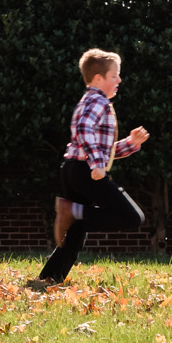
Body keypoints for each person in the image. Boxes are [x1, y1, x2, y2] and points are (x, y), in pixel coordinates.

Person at [27, 49, 150, 291]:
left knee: (76, 230)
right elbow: (85, 130)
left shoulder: (92, 101)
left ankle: (49, 279)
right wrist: (96, 164)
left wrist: (131, 143)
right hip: (84, 170)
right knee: (132, 217)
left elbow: (102, 147)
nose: (119, 80)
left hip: (74, 168)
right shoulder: (98, 101)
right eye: (114, 75)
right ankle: (71, 211)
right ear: (97, 78)